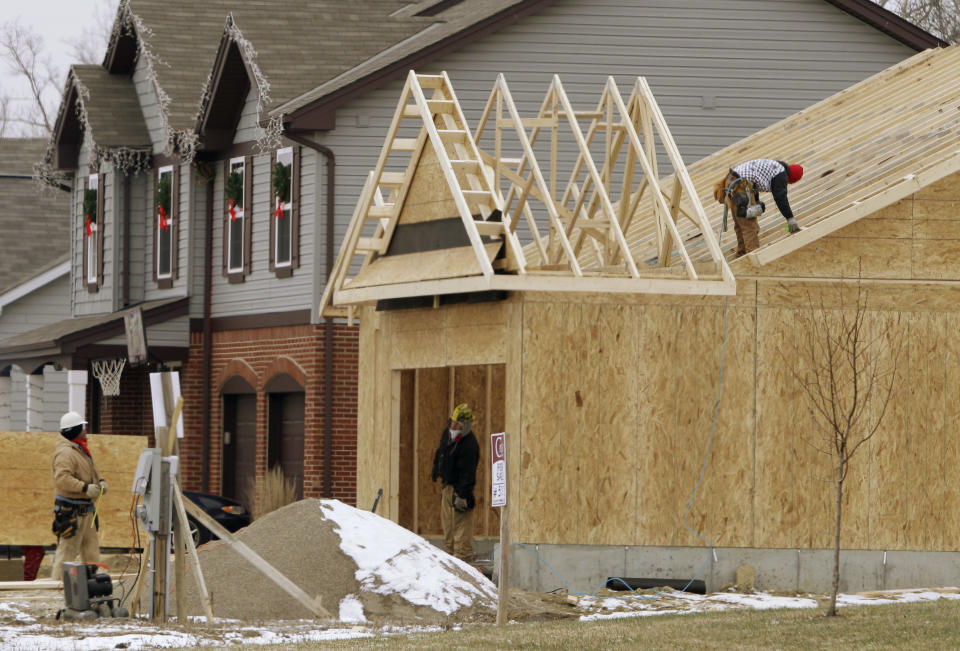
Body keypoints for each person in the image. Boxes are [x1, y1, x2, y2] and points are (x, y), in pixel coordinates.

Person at [50, 411, 107, 580]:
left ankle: (93, 583)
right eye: (82, 427)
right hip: (71, 510)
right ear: (73, 430)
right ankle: (59, 585)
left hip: (86, 509)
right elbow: (62, 479)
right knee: (68, 550)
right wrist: (84, 488)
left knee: (91, 550)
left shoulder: (80, 449)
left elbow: (92, 470)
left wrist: (101, 481)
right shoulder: (65, 453)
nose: (85, 431)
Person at [714, 159, 803, 256]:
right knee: (750, 226)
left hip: (731, 180)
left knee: (740, 223)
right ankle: (753, 254)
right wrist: (790, 218)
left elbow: (755, 182)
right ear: (792, 179)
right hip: (740, 184)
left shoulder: (776, 166)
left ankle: (742, 253)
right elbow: (780, 197)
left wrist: (756, 201)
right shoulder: (781, 174)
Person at [431, 403, 479, 563]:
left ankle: (463, 566)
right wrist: (436, 470)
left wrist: (463, 495)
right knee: (449, 533)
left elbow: (468, 473)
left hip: (460, 491)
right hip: (447, 487)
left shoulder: (470, 444)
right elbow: (441, 453)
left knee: (461, 537)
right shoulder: (448, 436)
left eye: (457, 424)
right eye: (452, 422)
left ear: (465, 425)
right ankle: (450, 566)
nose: (453, 426)